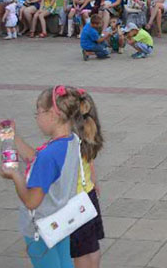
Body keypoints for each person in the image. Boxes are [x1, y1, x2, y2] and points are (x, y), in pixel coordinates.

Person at [0, 86, 87, 268]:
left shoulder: (49, 155)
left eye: (38, 113)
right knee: (64, 264)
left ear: (52, 115)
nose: (37, 118)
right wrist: (11, 137)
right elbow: (36, 158)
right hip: (61, 220)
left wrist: (15, 176)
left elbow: (31, 202)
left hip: (41, 228)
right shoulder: (71, 140)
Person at [68, 89, 105, 268]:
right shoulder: (87, 136)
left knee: (80, 251)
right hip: (88, 194)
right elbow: (89, 162)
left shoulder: (69, 142)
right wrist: (94, 181)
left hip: (75, 200)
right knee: (92, 246)